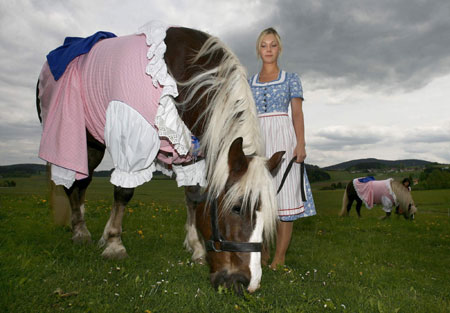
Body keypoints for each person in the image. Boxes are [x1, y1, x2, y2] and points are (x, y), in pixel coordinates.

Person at [248, 27, 316, 269]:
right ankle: (263, 253)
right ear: (258, 49)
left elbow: (297, 113)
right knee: (260, 203)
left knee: (285, 201)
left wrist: (301, 143)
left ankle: (279, 258)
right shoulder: (249, 82)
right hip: (259, 142)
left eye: (273, 45)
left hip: (284, 140)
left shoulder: (291, 78)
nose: (268, 49)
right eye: (264, 45)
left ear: (280, 49)